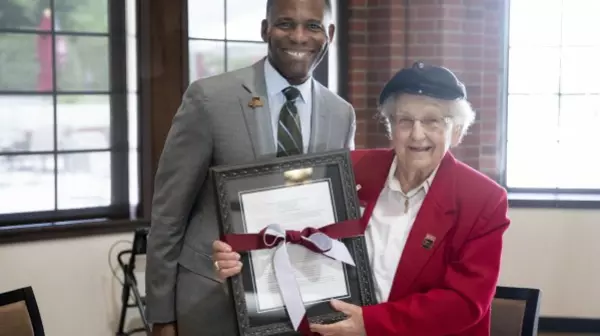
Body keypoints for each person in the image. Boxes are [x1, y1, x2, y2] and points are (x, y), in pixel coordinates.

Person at [213, 61, 511, 336]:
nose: (417, 135)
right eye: (404, 120)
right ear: (390, 127)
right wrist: (243, 254)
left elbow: (463, 302)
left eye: (433, 121)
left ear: (456, 131)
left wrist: (370, 324)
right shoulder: (349, 169)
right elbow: (291, 232)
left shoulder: (482, 200)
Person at [145, 0, 355, 335]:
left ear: (329, 34)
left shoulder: (341, 113)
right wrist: (162, 317)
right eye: (285, 23)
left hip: (302, 301)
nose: (299, 37)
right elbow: (169, 214)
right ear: (264, 29)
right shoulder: (210, 99)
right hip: (212, 299)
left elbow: (335, 213)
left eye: (313, 26)